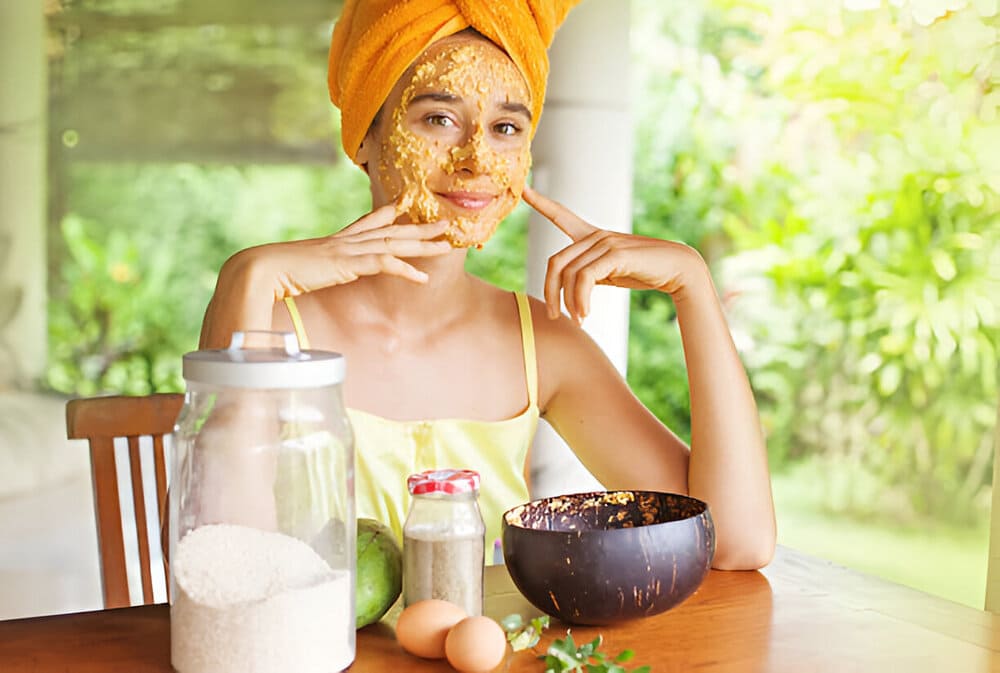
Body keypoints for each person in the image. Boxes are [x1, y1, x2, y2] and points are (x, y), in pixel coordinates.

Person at [200, 0, 776, 570]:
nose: (476, 160)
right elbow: (220, 560)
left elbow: (734, 541)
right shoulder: (273, 325)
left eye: (505, 128)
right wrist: (248, 278)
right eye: (438, 118)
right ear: (366, 139)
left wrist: (693, 285)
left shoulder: (540, 341)